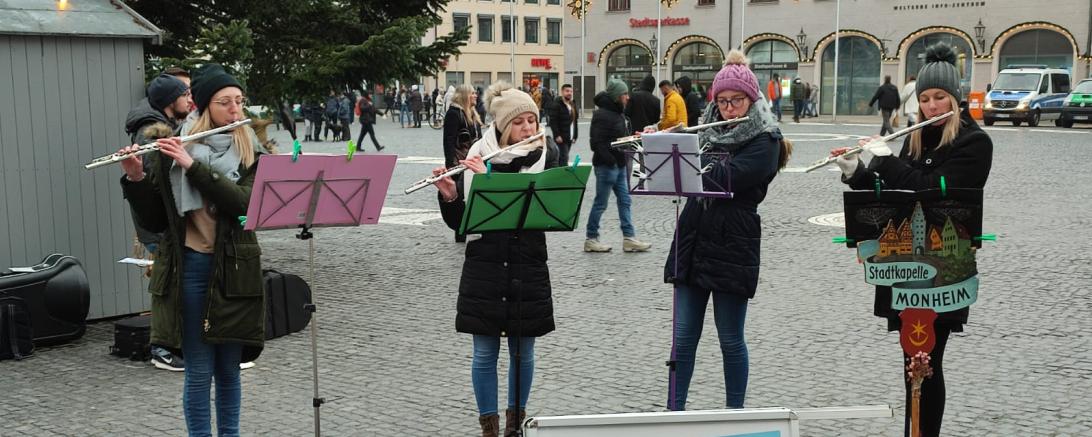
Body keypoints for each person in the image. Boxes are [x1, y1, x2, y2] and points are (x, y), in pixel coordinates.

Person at [831, 43, 992, 437]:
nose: (932, 106)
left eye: (940, 98)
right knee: (911, 363)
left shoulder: (974, 144)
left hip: (943, 272)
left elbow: (927, 191)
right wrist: (859, 172)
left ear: (955, 97)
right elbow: (894, 194)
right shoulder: (918, 139)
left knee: (928, 362)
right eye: (925, 99)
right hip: (902, 267)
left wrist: (886, 159)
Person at [118, 63, 266, 436]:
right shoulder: (170, 148)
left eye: (239, 101)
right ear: (202, 107)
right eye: (225, 102)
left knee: (229, 371)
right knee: (199, 373)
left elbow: (243, 203)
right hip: (191, 268)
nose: (236, 111)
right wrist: (136, 176)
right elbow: (155, 220)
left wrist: (194, 166)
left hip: (236, 269)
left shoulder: (251, 150)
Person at [664, 50, 792, 411]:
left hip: (733, 239)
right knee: (684, 337)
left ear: (751, 100)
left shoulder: (765, 139)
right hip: (693, 234)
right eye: (721, 102)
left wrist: (685, 155)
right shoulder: (703, 132)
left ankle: (734, 413)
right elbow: (681, 171)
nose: (728, 108)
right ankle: (673, 411)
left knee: (730, 338)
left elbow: (727, 177)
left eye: (736, 100)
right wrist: (662, 145)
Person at [431, 81, 559, 437]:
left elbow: (546, 214)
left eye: (533, 121)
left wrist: (490, 181)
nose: (529, 129)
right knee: (484, 353)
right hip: (485, 265)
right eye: (520, 123)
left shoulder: (547, 155)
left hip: (527, 262)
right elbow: (463, 225)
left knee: (524, 352)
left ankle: (515, 425)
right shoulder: (478, 153)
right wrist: (452, 196)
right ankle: (489, 426)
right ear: (503, 126)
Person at [124, 71, 193, 372]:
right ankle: (163, 348)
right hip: (160, 222)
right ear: (169, 101)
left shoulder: (170, 124)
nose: (191, 99)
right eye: (185, 95)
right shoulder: (151, 131)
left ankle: (178, 342)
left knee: (178, 280)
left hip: (170, 220)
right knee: (169, 283)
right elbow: (155, 185)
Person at [585, 79, 652, 253]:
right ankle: (591, 238)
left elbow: (618, 139)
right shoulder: (602, 115)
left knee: (625, 201)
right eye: (624, 94)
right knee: (601, 203)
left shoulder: (617, 112)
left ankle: (629, 238)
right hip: (607, 166)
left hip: (619, 165)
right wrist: (611, 160)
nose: (627, 97)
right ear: (616, 96)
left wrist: (632, 139)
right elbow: (597, 143)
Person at [442, 84, 484, 243]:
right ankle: (460, 231)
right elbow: (449, 140)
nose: (476, 96)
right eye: (473, 93)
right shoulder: (454, 114)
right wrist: (450, 165)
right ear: (465, 95)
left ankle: (472, 226)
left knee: (471, 194)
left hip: (473, 161)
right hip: (459, 162)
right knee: (459, 197)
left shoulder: (472, 113)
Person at [547, 84, 579, 165]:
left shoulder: (572, 104)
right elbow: (553, 121)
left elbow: (575, 121)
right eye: (567, 91)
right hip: (561, 137)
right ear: (562, 92)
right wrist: (557, 135)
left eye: (571, 91)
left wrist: (575, 136)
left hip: (570, 137)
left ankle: (560, 172)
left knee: (564, 157)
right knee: (564, 158)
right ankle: (562, 174)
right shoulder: (557, 105)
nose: (569, 93)